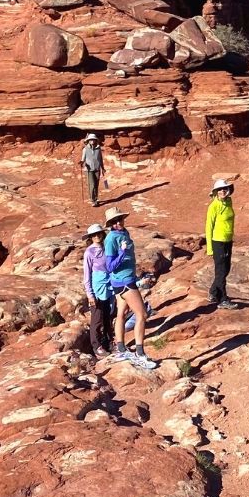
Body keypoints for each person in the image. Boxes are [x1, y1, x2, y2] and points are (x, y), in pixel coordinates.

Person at [104, 207, 157, 369]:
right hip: (124, 282)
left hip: (125, 280)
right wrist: (122, 252)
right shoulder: (111, 239)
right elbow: (109, 266)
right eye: (114, 221)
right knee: (142, 314)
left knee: (122, 313)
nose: (118, 222)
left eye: (120, 219)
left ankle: (121, 348)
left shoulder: (124, 233)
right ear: (110, 224)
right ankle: (140, 353)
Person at [79, 224, 115, 357]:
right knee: (97, 319)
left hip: (109, 288)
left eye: (99, 233)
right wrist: (90, 294)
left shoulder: (107, 248)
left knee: (108, 317)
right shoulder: (89, 252)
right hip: (97, 290)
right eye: (94, 235)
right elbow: (87, 275)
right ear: (90, 237)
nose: (97, 236)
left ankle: (108, 343)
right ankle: (96, 346)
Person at [204, 179, 237, 310]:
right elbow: (208, 227)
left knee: (226, 269)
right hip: (218, 242)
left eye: (224, 189)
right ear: (215, 192)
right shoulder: (213, 206)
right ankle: (223, 299)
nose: (222, 191)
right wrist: (210, 248)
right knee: (221, 271)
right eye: (220, 190)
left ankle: (213, 292)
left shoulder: (229, 202)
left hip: (228, 240)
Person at [79, 133, 105, 207]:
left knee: (96, 184)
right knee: (92, 185)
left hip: (97, 169)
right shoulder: (85, 149)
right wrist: (81, 162)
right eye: (90, 140)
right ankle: (93, 200)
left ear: (95, 140)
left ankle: (96, 198)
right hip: (88, 170)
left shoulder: (98, 149)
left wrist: (102, 168)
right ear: (88, 141)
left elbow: (100, 159)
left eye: (93, 140)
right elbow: (83, 159)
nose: (92, 141)